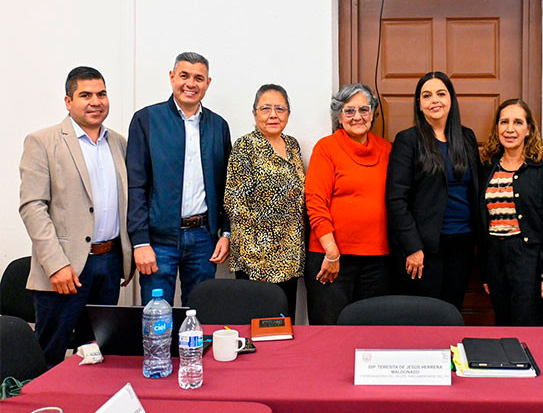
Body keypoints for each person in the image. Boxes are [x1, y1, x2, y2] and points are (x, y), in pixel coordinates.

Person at [19, 67, 132, 366]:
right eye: (86, 95)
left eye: (102, 94)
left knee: (96, 352)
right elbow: (32, 207)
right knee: (50, 352)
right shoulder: (42, 142)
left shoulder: (118, 143)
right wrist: (56, 265)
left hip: (108, 264)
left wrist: (128, 254)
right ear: (68, 101)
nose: (96, 101)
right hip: (65, 269)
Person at [127, 52, 232, 306]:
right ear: (172, 77)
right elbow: (135, 185)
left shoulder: (218, 126)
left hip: (203, 240)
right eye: (184, 75)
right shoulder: (147, 120)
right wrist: (139, 240)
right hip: (158, 241)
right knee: (156, 320)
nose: (190, 84)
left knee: (199, 318)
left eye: (199, 78)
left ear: (208, 83)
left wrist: (226, 233)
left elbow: (227, 186)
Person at [386, 71, 482, 310]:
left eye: (441, 93)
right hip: (424, 248)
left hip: (463, 243)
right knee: (426, 315)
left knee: (452, 310)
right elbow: (396, 198)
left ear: (451, 99)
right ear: (419, 104)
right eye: (426, 96)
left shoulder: (467, 137)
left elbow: (476, 188)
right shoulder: (407, 140)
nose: (434, 100)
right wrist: (413, 247)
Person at [304, 83, 393, 324]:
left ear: (373, 113)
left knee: (371, 335)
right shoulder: (326, 148)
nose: (357, 117)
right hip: (331, 258)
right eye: (349, 111)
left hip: (378, 261)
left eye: (363, 110)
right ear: (339, 116)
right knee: (329, 333)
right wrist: (332, 251)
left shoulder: (387, 150)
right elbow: (315, 201)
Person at [479, 99, 543, 326]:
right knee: (503, 326)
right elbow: (482, 223)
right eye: (504, 122)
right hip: (496, 259)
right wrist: (486, 272)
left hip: (530, 262)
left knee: (531, 331)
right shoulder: (488, 168)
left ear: (528, 129)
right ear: (496, 128)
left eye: (518, 122)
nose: (510, 129)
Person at [224, 84, 304, 320]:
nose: (273, 115)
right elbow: (235, 204)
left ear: (288, 113)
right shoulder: (245, 146)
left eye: (280, 108)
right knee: (258, 327)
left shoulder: (292, 145)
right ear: (254, 113)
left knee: (284, 325)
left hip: (289, 256)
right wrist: (256, 261)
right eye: (265, 108)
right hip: (257, 260)